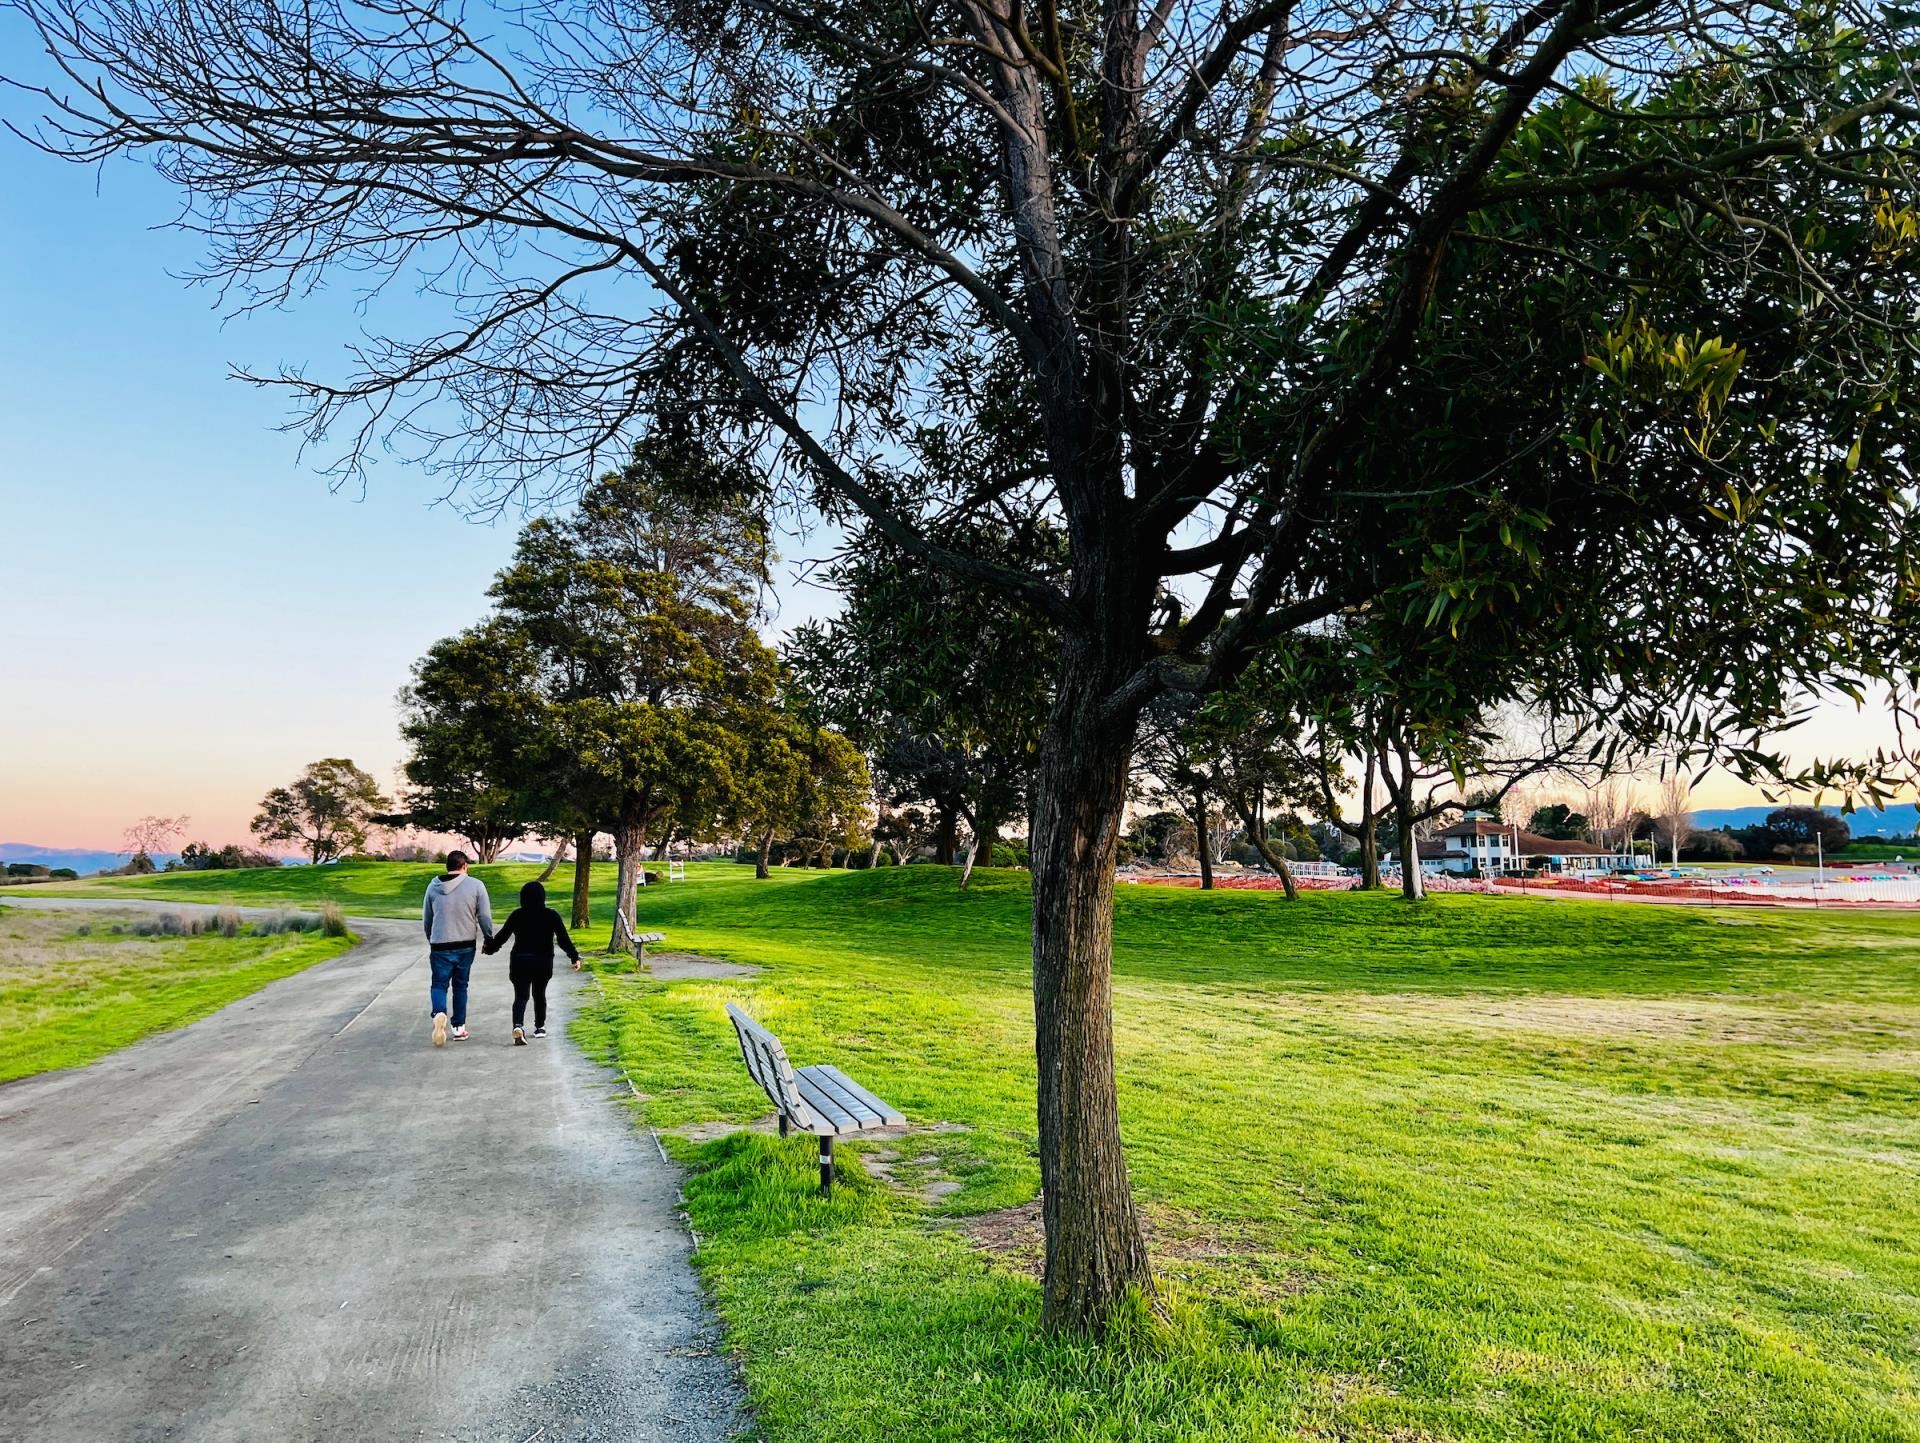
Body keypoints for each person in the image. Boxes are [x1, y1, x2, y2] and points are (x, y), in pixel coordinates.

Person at [482, 880, 580, 1044]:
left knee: (521, 996)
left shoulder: (517, 915)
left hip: (520, 960)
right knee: (539, 994)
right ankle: (540, 1027)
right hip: (543, 961)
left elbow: (502, 937)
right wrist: (574, 956)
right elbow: (563, 939)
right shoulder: (551, 915)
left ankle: (518, 1025)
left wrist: (490, 948)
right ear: (542, 897)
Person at [422, 851, 494, 1047]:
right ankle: (459, 1028)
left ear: (447, 866)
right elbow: (485, 916)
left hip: (439, 944)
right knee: (460, 985)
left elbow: (427, 917)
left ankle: (439, 1013)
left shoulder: (433, 886)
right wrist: (489, 937)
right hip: (465, 944)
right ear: (465, 866)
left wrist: (431, 937)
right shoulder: (476, 885)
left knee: (439, 984)